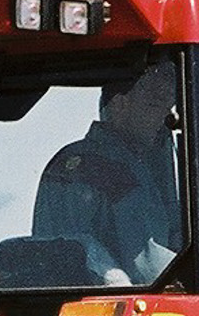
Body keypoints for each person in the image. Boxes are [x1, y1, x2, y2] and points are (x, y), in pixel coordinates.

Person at [31, 64, 182, 284]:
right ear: (120, 105)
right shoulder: (119, 171)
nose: (164, 119)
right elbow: (148, 267)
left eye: (167, 109)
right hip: (110, 297)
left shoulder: (66, 159)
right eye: (155, 105)